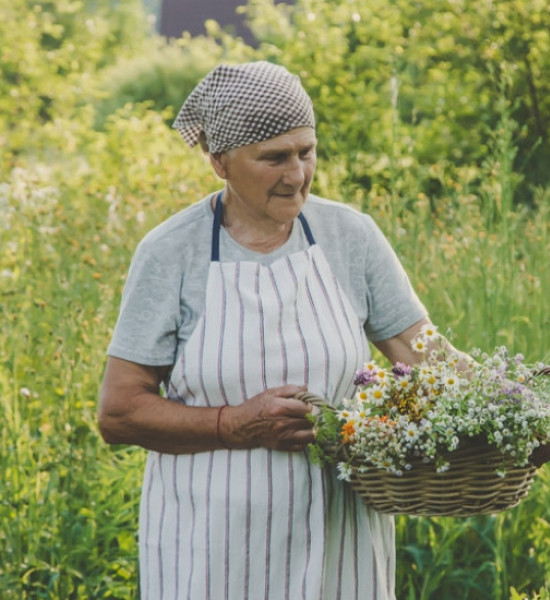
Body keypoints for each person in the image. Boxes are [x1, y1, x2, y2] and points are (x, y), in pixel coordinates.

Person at [97, 61, 434, 600]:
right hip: (211, 552)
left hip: (341, 543)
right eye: (274, 157)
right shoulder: (171, 252)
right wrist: (233, 424)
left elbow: (427, 358)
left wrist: (526, 409)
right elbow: (118, 412)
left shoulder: (349, 236)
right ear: (219, 162)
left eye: (306, 152)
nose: (297, 174)